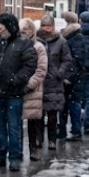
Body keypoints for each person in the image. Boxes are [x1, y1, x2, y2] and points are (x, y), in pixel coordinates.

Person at [0, 13, 37, 172]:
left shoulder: (23, 43)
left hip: (14, 93)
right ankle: (1, 155)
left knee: (14, 126)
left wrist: (16, 80)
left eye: (1, 26)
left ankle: (14, 157)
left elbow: (30, 66)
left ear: (10, 26)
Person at [37, 15, 73, 150]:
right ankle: (39, 138)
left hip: (54, 82)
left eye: (49, 26)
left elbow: (67, 59)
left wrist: (59, 73)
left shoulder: (61, 41)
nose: (47, 29)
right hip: (40, 82)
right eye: (44, 26)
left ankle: (52, 140)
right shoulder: (36, 41)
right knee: (38, 114)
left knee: (52, 114)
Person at [19, 18, 48, 161]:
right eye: (21, 30)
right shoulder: (16, 45)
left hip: (32, 89)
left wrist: (29, 84)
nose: (22, 33)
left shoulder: (38, 47)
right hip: (18, 87)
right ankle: (17, 151)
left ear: (32, 31)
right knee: (16, 122)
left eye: (25, 30)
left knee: (32, 121)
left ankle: (33, 149)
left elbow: (41, 69)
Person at [58, 11, 86, 141]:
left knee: (74, 104)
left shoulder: (77, 37)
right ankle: (62, 130)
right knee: (62, 105)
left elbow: (78, 59)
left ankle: (76, 131)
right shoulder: (65, 36)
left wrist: (69, 77)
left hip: (74, 79)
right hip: (64, 77)